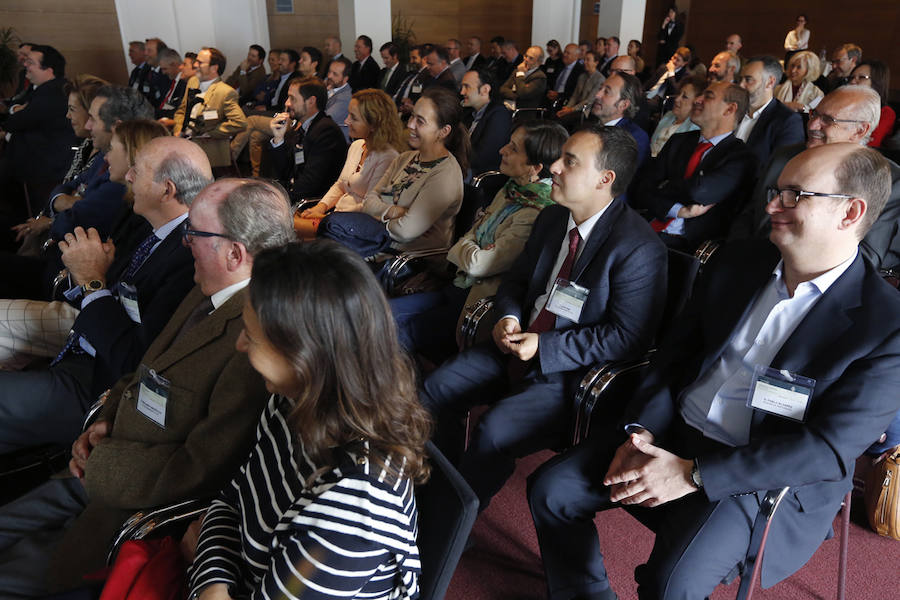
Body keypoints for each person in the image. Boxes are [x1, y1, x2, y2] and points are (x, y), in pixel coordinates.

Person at [527, 143, 900, 600]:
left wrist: (692, 474)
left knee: (671, 584)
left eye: (794, 196)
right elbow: (675, 358)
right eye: (775, 191)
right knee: (552, 490)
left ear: (850, 212)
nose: (771, 206)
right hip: (674, 432)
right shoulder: (738, 261)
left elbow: (825, 451)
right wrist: (640, 432)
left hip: (756, 472)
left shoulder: (884, 326)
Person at [420, 124, 666, 512]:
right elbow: (517, 283)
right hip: (513, 344)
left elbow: (628, 337)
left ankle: (451, 520)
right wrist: (509, 317)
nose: (553, 167)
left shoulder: (638, 248)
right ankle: (436, 484)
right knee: (434, 389)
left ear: (605, 179)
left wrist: (545, 346)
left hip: (568, 373)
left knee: (493, 431)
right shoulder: (552, 219)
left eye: (569, 161)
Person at [187, 240, 431, 600]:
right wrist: (213, 579)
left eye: (251, 337)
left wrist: (208, 571)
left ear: (305, 358)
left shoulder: (352, 509)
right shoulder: (293, 402)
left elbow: (219, 523)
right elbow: (232, 502)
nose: (240, 345)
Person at [0, 119, 169, 371]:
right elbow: (65, 192)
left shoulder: (123, 198)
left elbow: (70, 222)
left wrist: (90, 276)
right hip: (81, 297)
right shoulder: (130, 205)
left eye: (112, 150)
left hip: (89, 317)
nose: (106, 157)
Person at [390, 121, 567, 358]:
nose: (502, 150)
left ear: (534, 167)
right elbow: (470, 238)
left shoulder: (536, 211)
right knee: (384, 313)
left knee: (392, 334)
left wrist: (468, 247)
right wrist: (471, 247)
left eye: (513, 149)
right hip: (456, 283)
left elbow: (480, 264)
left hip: (476, 304)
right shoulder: (511, 189)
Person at [730, 85, 900, 272]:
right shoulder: (784, 157)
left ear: (860, 130)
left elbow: (866, 257)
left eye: (827, 120)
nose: (812, 125)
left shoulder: (890, 180)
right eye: (813, 114)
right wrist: (736, 257)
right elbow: (751, 212)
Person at [635, 81, 757, 252]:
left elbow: (699, 191)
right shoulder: (679, 141)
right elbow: (642, 189)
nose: (697, 100)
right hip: (647, 229)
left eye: (708, 96)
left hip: (688, 248)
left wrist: (665, 185)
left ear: (729, 109)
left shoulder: (741, 157)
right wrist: (678, 210)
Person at [357, 86, 467, 254]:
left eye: (420, 121)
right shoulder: (404, 158)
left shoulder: (445, 174)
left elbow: (405, 232)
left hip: (408, 260)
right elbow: (368, 201)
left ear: (443, 132)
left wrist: (377, 216)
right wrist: (396, 212)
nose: (410, 124)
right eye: (412, 116)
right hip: (377, 245)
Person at [11, 74, 108, 256]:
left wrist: (48, 222)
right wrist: (56, 204)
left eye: (72, 109)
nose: (67, 115)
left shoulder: (110, 155)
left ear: (92, 112)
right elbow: (64, 188)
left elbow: (89, 208)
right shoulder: (86, 145)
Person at [294, 89, 406, 238]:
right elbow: (340, 184)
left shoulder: (388, 157)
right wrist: (321, 207)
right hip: (336, 219)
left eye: (353, 118)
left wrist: (329, 217)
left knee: (286, 225)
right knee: (286, 222)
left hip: (354, 229)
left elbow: (369, 207)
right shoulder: (357, 146)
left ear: (373, 124)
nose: (346, 121)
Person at [0, 44, 78, 220]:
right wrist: (16, 111)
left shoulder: (53, 91)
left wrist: (16, 114)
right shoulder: (42, 89)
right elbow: (15, 110)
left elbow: (15, 122)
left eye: (31, 62)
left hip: (47, 167)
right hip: (38, 163)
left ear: (48, 70)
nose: (25, 65)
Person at [261, 77, 347, 203]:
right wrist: (278, 139)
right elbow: (286, 172)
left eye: (293, 98)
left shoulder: (326, 131)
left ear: (311, 101)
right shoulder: (302, 128)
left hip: (311, 202)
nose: (287, 103)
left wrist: (278, 201)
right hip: (294, 194)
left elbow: (311, 182)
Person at [172, 47, 248, 166]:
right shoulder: (193, 82)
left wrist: (209, 133)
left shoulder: (225, 92)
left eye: (200, 62)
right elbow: (181, 111)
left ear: (214, 68)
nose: (195, 65)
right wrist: (178, 130)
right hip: (184, 146)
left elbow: (240, 123)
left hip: (208, 152)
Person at [736, 56, 805, 172]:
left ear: (770, 82)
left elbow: (777, 172)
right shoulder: (734, 110)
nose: (741, 85)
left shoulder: (787, 121)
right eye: (740, 79)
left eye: (748, 80)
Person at [461, 69, 512, 178]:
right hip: (463, 167)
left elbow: (484, 157)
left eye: (467, 87)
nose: (462, 92)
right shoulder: (469, 112)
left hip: (479, 176)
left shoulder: (499, 115)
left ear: (485, 90)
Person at [649, 75, 702, 157]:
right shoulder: (668, 116)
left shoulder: (695, 129)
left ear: (697, 103)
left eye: (684, 97)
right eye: (678, 94)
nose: (677, 99)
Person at [850, 60, 895, 147]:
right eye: (852, 78)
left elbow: (871, 143)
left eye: (861, 77)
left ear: (876, 82)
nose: (852, 82)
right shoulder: (848, 106)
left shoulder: (886, 112)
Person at [556, 50, 604, 121]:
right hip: (575, 108)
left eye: (588, 60)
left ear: (596, 63)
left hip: (586, 111)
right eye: (584, 60)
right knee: (558, 115)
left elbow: (590, 100)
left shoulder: (600, 79)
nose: (585, 62)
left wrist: (571, 109)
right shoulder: (582, 76)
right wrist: (567, 107)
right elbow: (575, 96)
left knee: (563, 120)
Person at [500, 45, 547, 110]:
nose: (526, 60)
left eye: (531, 58)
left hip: (523, 112)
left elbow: (523, 93)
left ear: (539, 62)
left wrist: (520, 74)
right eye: (525, 56)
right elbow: (502, 89)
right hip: (507, 107)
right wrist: (516, 95)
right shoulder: (516, 71)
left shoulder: (540, 77)